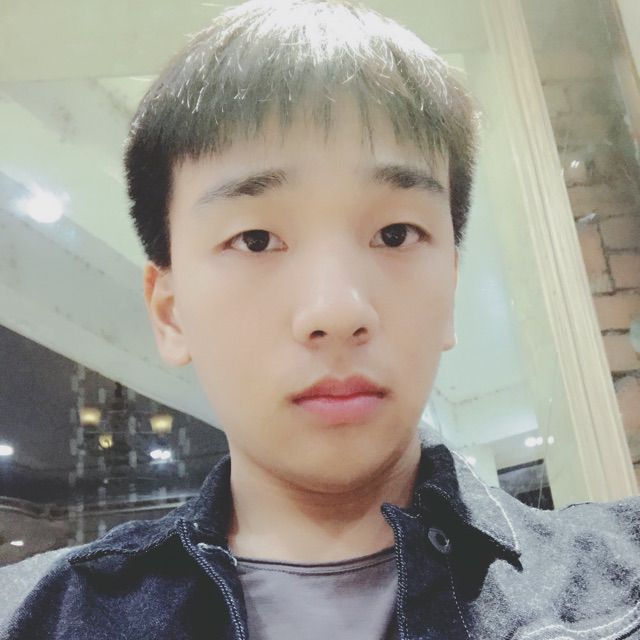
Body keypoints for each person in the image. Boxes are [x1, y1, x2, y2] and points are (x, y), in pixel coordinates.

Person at [3, 1, 640, 638]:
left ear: (449, 289)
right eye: (256, 240)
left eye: (395, 233)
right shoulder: (40, 616)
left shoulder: (621, 584)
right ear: (170, 313)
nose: (337, 311)